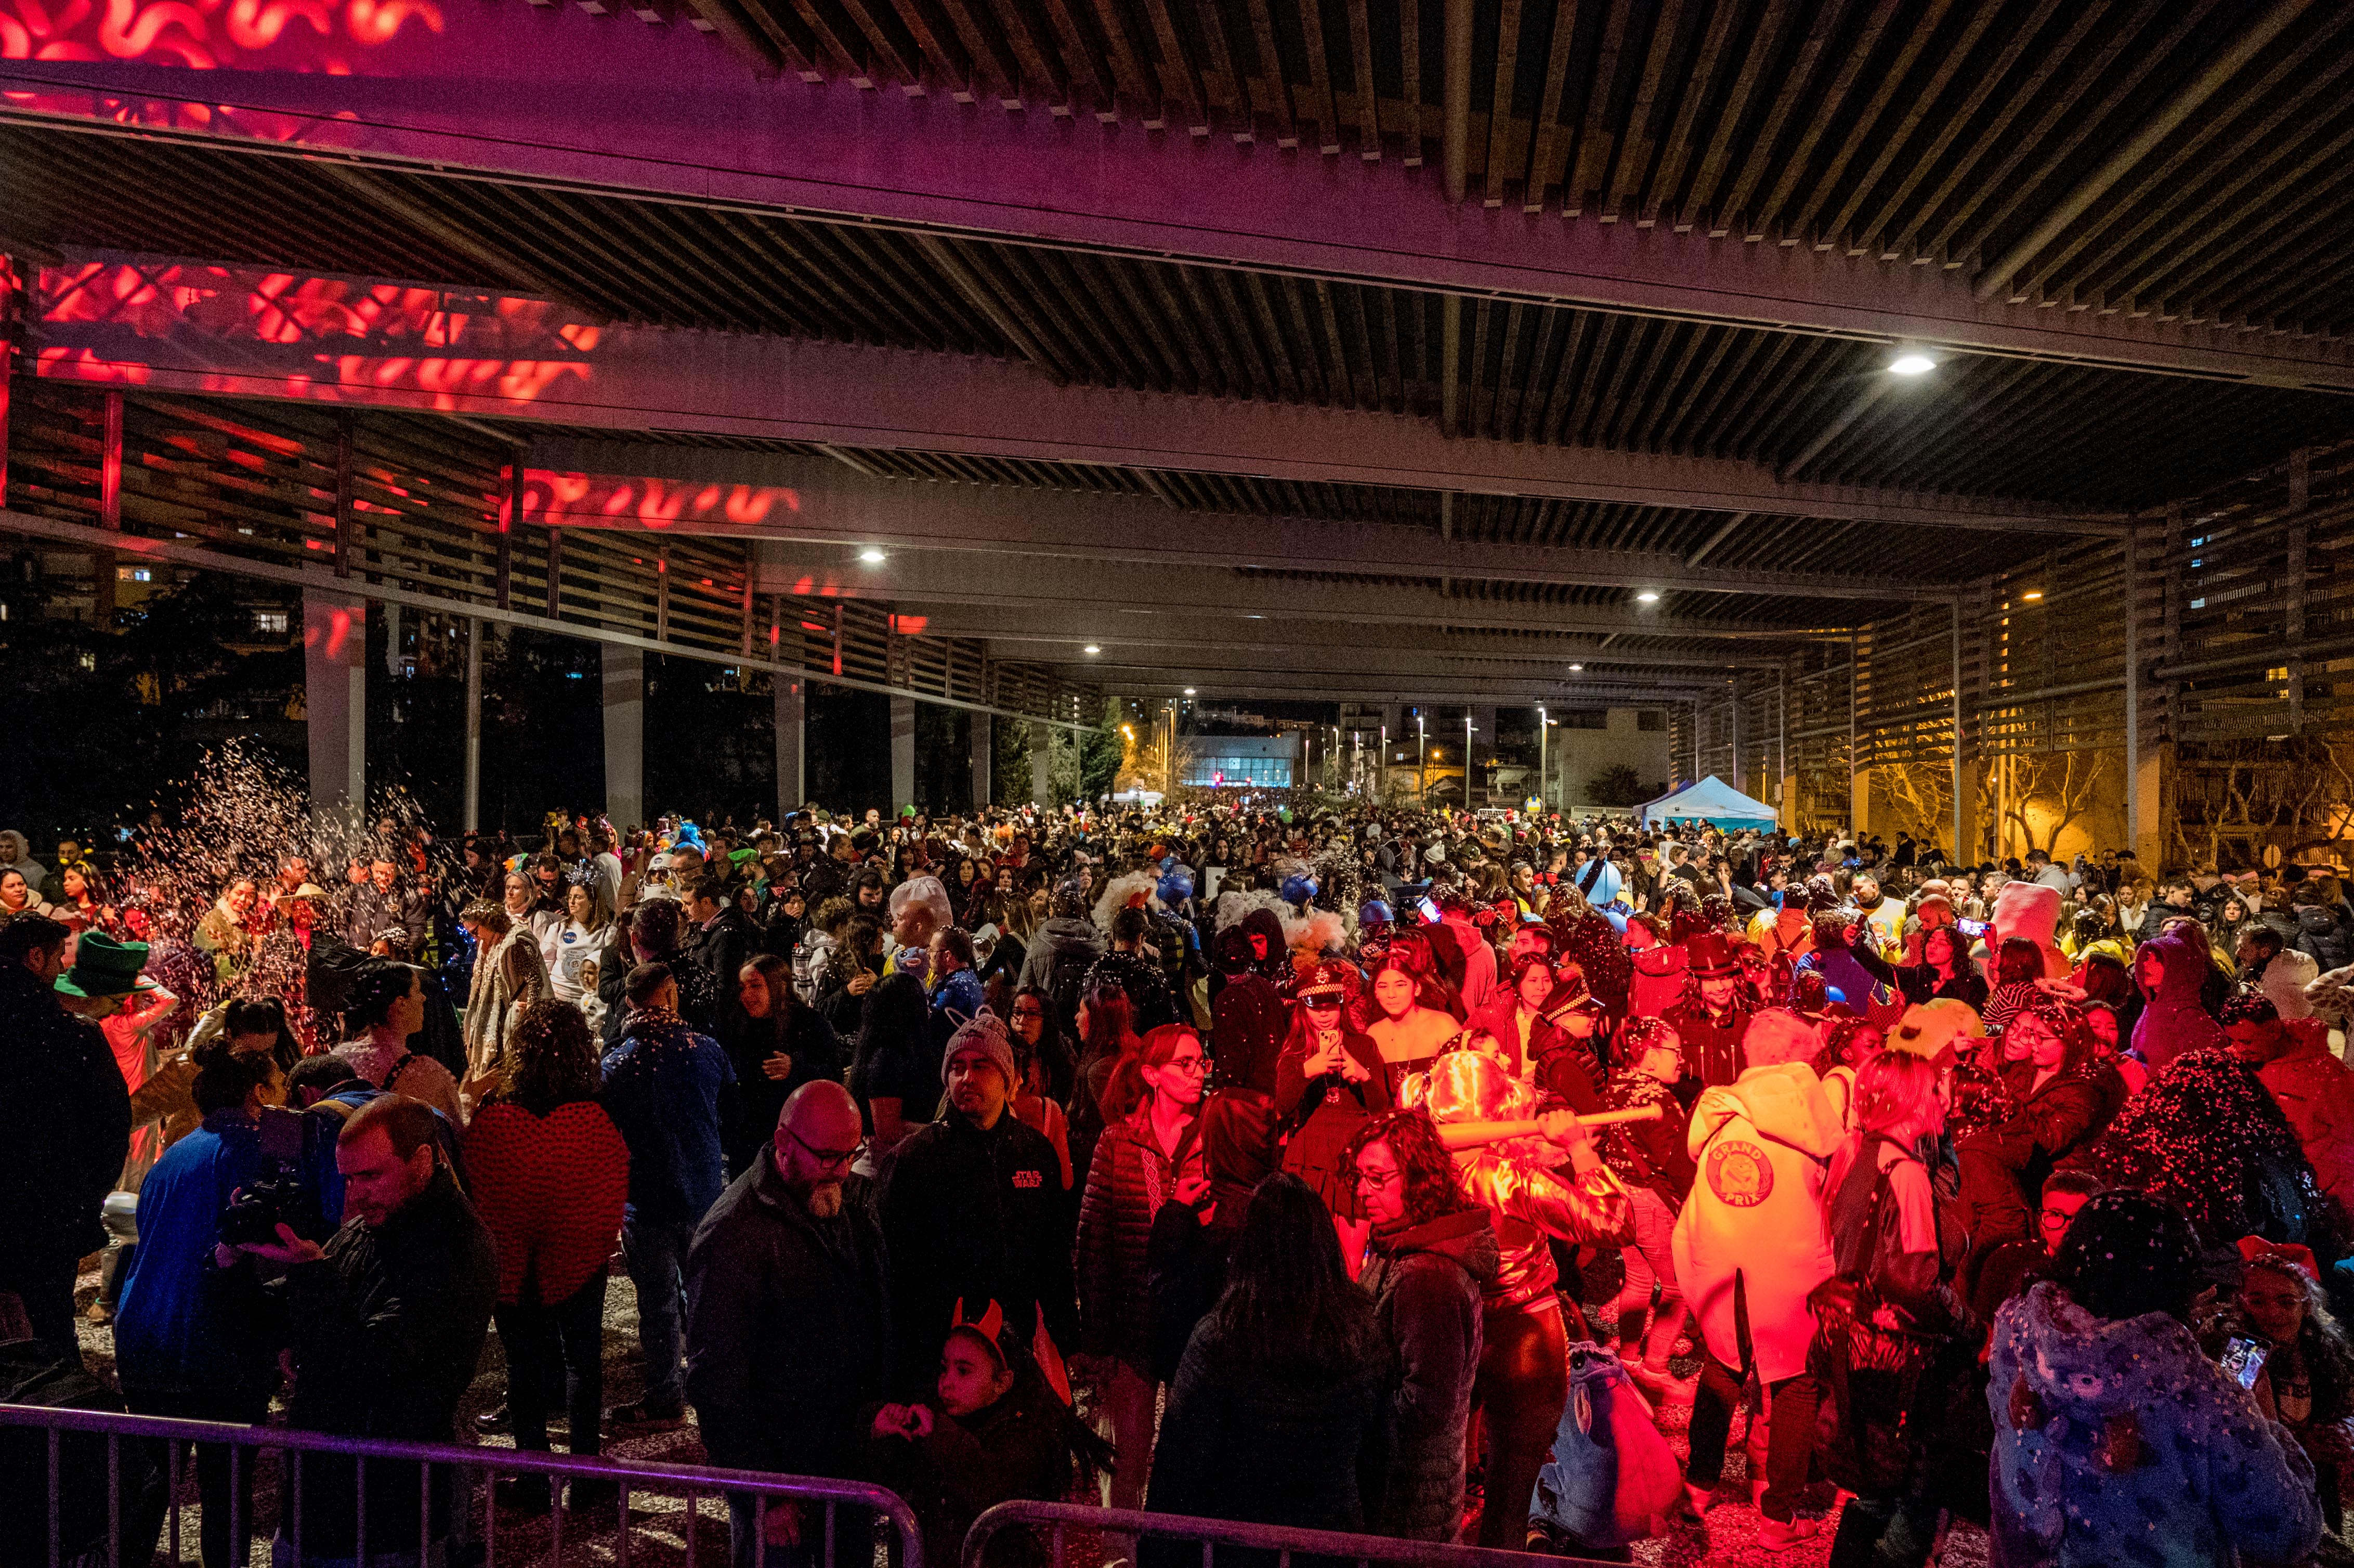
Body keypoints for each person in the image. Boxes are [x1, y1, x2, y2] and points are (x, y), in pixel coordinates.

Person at [1988, 1192, 2322, 1568]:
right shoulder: (2201, 1393)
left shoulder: (2017, 1343)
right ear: (2176, 1282)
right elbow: (2283, 1531)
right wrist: (2267, 1428)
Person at [238, 1095, 498, 1566]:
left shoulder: (454, 1247)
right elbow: (275, 1321)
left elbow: (368, 1362)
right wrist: (233, 1264)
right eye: (348, 1178)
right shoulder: (373, 1225)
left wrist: (313, 1274)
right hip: (324, 1490)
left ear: (422, 1161)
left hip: (389, 1506)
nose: (354, 1195)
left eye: (371, 1175)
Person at [1411, 1046, 1634, 1549]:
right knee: (1511, 1490)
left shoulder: (1412, 1169)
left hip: (1441, 1324)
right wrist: (1581, 1150)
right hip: (1521, 1334)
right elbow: (1614, 1225)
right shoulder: (1509, 1176)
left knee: (1425, 1480)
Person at [688, 1079, 890, 1568]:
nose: (842, 1171)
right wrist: (762, 1490)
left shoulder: (846, 1202)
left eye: (852, 1153)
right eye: (827, 1157)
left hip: (844, 1464)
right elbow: (717, 1380)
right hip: (780, 1481)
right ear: (783, 1146)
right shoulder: (735, 1233)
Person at [111, 1031, 291, 1568]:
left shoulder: (174, 1158)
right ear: (257, 1094)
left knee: (149, 1490)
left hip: (145, 1335)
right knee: (225, 1494)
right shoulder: (253, 1154)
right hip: (215, 1347)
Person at [1145, 1173, 1389, 1553]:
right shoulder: (1364, 1330)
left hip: (1240, 1544)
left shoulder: (1221, 1337)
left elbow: (1181, 1469)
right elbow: (1377, 1458)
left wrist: (1161, 1555)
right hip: (1331, 1540)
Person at [464, 1000, 630, 1509]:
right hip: (578, 1254)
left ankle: (534, 1477)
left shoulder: (495, 1112)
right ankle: (584, 1476)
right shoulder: (597, 1110)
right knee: (583, 1364)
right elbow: (612, 1178)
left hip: (513, 1262)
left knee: (523, 1365)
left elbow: (480, 1187)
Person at [1673, 1058, 1845, 1537]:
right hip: (1789, 1274)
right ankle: (1777, 1514)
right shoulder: (1809, 1133)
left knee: (1724, 1366)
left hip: (1724, 1267)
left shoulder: (1718, 1123)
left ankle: (1698, 1488)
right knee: (1795, 1383)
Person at [1814, 1049, 1970, 1565]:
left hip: (1854, 1344)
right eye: (1930, 1090)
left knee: (1871, 1490)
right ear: (1906, 1102)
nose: (1939, 1099)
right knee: (1906, 1491)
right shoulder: (1904, 1171)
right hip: (1897, 1354)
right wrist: (1972, 1326)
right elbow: (1914, 1280)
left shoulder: (1858, 1152)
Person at [878, 1010, 1078, 1393]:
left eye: (981, 1066)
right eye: (957, 1067)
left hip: (1012, 1347)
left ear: (1006, 1079)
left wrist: (1069, 1341)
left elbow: (1052, 1259)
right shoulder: (913, 1161)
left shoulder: (1034, 1153)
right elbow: (892, 1275)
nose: (967, 1078)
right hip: (939, 1355)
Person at [1075, 1024, 1209, 1525]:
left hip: (1194, 1327)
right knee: (1123, 1457)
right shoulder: (1118, 1142)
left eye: (1201, 1062)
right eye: (1184, 1063)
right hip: (1132, 1328)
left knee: (1189, 1455)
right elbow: (1094, 1243)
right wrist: (1097, 1337)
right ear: (1152, 1074)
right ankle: (1119, 1556)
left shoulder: (1211, 1135)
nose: (1197, 1073)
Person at [1345, 1107, 1499, 1543]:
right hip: (1404, 1484)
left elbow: (1426, 1405)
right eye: (1360, 1177)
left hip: (1409, 1496)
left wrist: (1353, 1419)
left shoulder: (1427, 1276)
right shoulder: (1397, 1243)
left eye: (1378, 1178)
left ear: (1417, 1177)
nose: (1363, 1191)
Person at [864, 1302, 1101, 1568]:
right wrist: (880, 1432)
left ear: (1002, 1383)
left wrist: (939, 1433)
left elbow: (992, 1488)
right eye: (944, 1368)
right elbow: (885, 1478)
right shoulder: (931, 1421)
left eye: (963, 1370)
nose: (947, 1381)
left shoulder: (1026, 1435)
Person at [600, 960, 735, 1428]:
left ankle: (665, 1396)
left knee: (657, 1307)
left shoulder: (618, 1064)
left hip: (648, 1199)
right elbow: (725, 1106)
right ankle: (713, 1389)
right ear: (671, 994)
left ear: (631, 1003)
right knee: (705, 1299)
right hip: (702, 1195)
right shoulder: (707, 1050)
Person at [0, 918, 134, 1353]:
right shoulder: (69, 1034)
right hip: (46, 1217)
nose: (61, 968)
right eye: (58, 957)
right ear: (35, 957)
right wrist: (81, 1198)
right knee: (50, 1326)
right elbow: (110, 1128)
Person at [2200, 1237, 2354, 1534]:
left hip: (2311, 1486)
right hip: (2261, 1486)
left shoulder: (2324, 1352)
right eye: (2258, 1301)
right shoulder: (2241, 1354)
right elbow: (2227, 1433)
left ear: (2306, 1305)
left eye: (2286, 1301)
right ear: (2243, 1303)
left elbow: (2347, 1408)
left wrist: (2339, 1433)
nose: (2272, 1314)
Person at [1599, 1016, 1697, 1397]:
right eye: (1675, 1051)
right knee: (1678, 1289)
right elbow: (1674, 1162)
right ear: (1650, 1057)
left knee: (1639, 1279)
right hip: (1654, 1204)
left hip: (1622, 1197)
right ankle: (1655, 1367)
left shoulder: (1617, 1088)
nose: (1682, 1060)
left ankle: (1628, 1357)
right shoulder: (1655, 1098)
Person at [1272, 962, 1391, 1253]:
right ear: (1303, 1008)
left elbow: (1383, 1109)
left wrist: (1363, 1076)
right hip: (1310, 1158)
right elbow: (1282, 1107)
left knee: (1351, 1258)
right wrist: (1306, 1072)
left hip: (1353, 1156)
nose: (1324, 1013)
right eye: (1316, 1006)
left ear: (1342, 1005)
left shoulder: (1364, 1045)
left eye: (1331, 1005)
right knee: (1312, 1255)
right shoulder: (1294, 1053)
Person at [2225, 994, 2354, 1226]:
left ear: (2274, 1031)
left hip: (2321, 1196)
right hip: (2265, 1196)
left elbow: (2349, 1141)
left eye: (2247, 1041)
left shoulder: (2326, 1074)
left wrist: (2341, 1201)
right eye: (2233, 1040)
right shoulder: (2233, 1065)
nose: (2239, 1049)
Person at [718, 952, 844, 1179]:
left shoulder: (809, 1023)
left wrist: (796, 1068)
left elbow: (834, 1077)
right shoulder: (737, 1025)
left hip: (796, 1142)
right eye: (742, 988)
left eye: (755, 986)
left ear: (779, 986)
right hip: (747, 1144)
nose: (746, 995)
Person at [332, 959, 467, 1127]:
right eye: (418, 991)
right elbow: (455, 1133)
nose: (424, 998)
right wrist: (470, 1097)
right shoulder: (427, 1075)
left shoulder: (341, 1058)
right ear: (401, 1004)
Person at [460, 897, 551, 1089]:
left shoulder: (516, 943)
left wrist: (530, 1016)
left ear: (489, 923)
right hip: (501, 1014)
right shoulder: (488, 944)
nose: (474, 938)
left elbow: (535, 980)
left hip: (517, 1015)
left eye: (475, 932)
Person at [848, 971, 934, 1162]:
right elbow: (888, 1132)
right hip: (880, 1169)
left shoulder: (902, 1052)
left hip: (899, 1161)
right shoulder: (886, 1059)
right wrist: (940, 1131)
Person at [1364, 950, 1460, 1098]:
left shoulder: (1443, 1025)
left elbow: (1467, 1081)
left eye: (1400, 985)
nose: (1391, 994)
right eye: (1383, 987)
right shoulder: (1373, 1034)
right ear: (1375, 992)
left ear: (1417, 988)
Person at [543, 877, 620, 1006]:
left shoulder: (607, 933)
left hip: (588, 1002)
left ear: (591, 902)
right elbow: (545, 965)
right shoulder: (558, 928)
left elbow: (611, 971)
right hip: (557, 997)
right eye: (570, 897)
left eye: (578, 897)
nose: (572, 901)